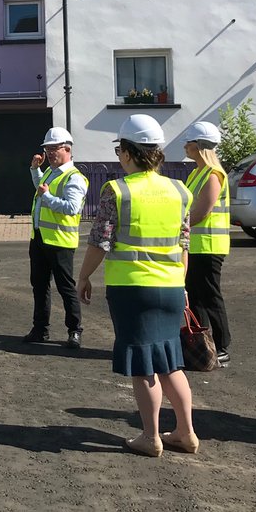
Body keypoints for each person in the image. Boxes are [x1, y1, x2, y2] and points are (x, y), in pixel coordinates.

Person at [76, 114, 196, 458]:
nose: (118, 158)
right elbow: (183, 242)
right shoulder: (179, 190)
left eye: (119, 151)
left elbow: (101, 241)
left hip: (132, 289)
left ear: (128, 152)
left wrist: (84, 276)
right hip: (172, 286)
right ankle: (186, 432)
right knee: (171, 360)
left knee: (143, 363)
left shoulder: (117, 190)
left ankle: (151, 436)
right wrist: (182, 284)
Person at [25, 127, 88, 350]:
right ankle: (40, 329)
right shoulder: (52, 171)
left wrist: (47, 196)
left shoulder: (75, 178)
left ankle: (75, 331)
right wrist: (35, 170)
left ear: (67, 149)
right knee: (39, 285)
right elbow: (41, 188)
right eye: (48, 149)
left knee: (65, 287)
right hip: (41, 237)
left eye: (55, 149)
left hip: (61, 241)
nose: (50, 153)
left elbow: (71, 208)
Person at [182, 121, 232, 365]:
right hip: (196, 245)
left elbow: (201, 211)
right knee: (196, 296)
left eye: (188, 143)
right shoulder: (197, 172)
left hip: (210, 246)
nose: (185, 147)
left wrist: (177, 227)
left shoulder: (214, 174)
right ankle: (203, 344)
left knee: (210, 296)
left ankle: (222, 346)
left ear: (199, 146)